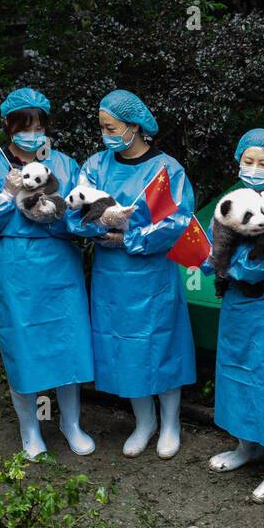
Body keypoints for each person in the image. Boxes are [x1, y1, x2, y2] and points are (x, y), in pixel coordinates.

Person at [0, 87, 96, 460]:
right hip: (16, 267)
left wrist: (60, 212)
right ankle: (30, 430)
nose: (33, 133)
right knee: (23, 345)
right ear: (9, 125)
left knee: (68, 341)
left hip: (60, 264)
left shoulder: (65, 165)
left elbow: (83, 217)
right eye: (25, 125)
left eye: (39, 126)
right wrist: (4, 195)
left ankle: (71, 424)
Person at [73, 90, 196, 459]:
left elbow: (178, 221)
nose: (105, 134)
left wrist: (130, 237)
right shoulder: (96, 165)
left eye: (110, 127)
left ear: (134, 126)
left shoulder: (167, 169)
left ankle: (170, 422)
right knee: (125, 347)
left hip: (153, 274)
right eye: (101, 127)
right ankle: (144, 422)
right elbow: (75, 210)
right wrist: (100, 228)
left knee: (161, 345)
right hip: (112, 278)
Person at [204, 128, 264, 502]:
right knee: (234, 372)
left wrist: (231, 266)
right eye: (249, 161)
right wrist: (209, 259)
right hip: (234, 306)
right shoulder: (232, 199)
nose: (255, 168)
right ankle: (246, 446)